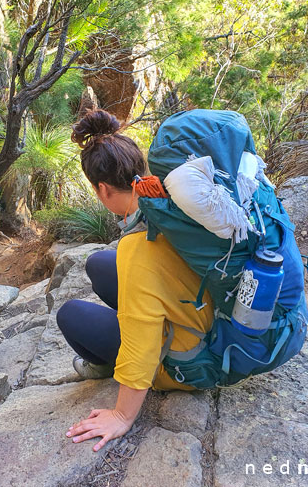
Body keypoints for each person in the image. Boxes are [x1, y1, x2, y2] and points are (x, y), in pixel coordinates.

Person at [57, 109, 216, 452]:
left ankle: (104, 366)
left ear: (102, 189)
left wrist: (122, 415)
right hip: (207, 314)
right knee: (100, 263)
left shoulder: (137, 249)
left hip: (188, 355)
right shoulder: (168, 198)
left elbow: (141, 345)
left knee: (70, 315)